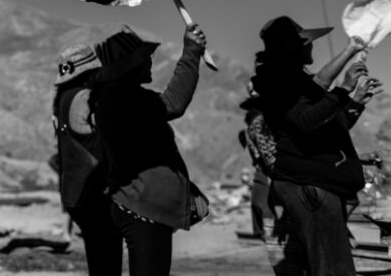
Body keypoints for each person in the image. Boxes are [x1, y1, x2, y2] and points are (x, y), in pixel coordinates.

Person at [251, 16, 380, 276]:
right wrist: (344, 88)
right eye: (306, 43)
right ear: (293, 48)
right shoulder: (281, 83)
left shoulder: (295, 83)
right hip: (311, 186)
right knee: (333, 269)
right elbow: (305, 121)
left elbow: (327, 110)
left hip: (315, 185)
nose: (312, 48)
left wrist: (354, 98)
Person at [88, 24, 208, 276]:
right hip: (143, 209)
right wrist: (191, 52)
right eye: (145, 58)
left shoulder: (116, 97)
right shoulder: (122, 97)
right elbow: (173, 104)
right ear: (130, 65)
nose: (150, 62)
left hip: (138, 205)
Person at [51, 42, 120, 276]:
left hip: (74, 194)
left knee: (98, 262)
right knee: (108, 262)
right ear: (90, 72)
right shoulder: (85, 98)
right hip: (94, 194)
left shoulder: (61, 100)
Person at [237, 83, 275, 240]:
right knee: (264, 208)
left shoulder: (254, 124)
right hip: (272, 171)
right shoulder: (259, 123)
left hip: (267, 172)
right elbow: (268, 154)